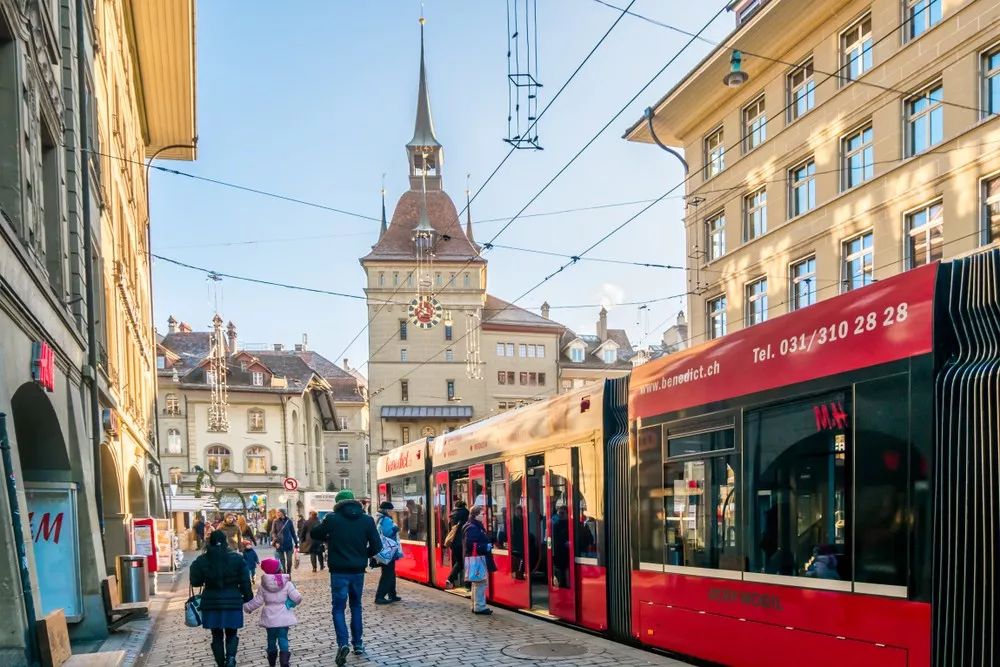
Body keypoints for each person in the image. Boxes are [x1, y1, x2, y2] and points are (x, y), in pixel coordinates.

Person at [310, 489, 381, 666]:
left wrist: (328, 531)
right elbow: (377, 546)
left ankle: (343, 643)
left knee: (338, 608)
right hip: (358, 571)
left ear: (338, 504)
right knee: (356, 606)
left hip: (339, 572)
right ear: (354, 501)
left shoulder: (332, 519)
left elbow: (315, 534)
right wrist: (364, 555)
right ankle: (358, 644)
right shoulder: (367, 520)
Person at [189, 530, 253, 667]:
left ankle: (220, 663)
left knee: (216, 635)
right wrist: (248, 598)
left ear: (209, 541)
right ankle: (230, 658)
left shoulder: (202, 560)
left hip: (211, 602)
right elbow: (245, 581)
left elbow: (195, 581)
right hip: (233, 601)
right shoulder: (236, 558)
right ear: (226, 541)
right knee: (232, 632)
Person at [243, 558, 303, 667]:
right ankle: (284, 662)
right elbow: (297, 598)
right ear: (279, 569)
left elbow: (257, 601)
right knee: (283, 639)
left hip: (270, 618)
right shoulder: (287, 584)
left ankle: (272, 663)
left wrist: (247, 607)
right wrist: (290, 603)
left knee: (271, 640)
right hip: (283, 617)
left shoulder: (263, 586)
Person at [463, 505, 495, 615]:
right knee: (481, 582)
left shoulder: (472, 525)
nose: (483, 516)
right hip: (478, 559)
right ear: (476, 515)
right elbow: (470, 544)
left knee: (477, 582)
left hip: (476, 558)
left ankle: (475, 605)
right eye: (482, 514)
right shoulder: (473, 527)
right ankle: (479, 606)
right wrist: (485, 547)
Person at [374, 502, 402, 605]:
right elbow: (387, 533)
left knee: (390, 573)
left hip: (383, 550)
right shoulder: (385, 520)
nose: (392, 512)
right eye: (390, 510)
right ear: (386, 510)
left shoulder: (378, 518)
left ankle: (392, 594)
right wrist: (395, 529)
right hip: (388, 551)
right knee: (388, 574)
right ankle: (380, 596)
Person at [445, 499, 469, 589]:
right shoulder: (466, 513)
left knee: (460, 562)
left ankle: (450, 579)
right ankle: (467, 585)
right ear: (464, 506)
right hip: (462, 542)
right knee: (465, 562)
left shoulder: (452, 514)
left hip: (453, 542)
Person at [271, 509, 298, 576]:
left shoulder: (289, 521)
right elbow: (273, 532)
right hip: (279, 543)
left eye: (279, 512)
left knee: (289, 561)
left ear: (283, 513)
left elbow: (293, 532)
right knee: (282, 560)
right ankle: (285, 574)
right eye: (277, 512)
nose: (277, 513)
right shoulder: (275, 521)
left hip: (288, 543)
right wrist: (275, 541)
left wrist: (296, 542)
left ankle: (288, 572)